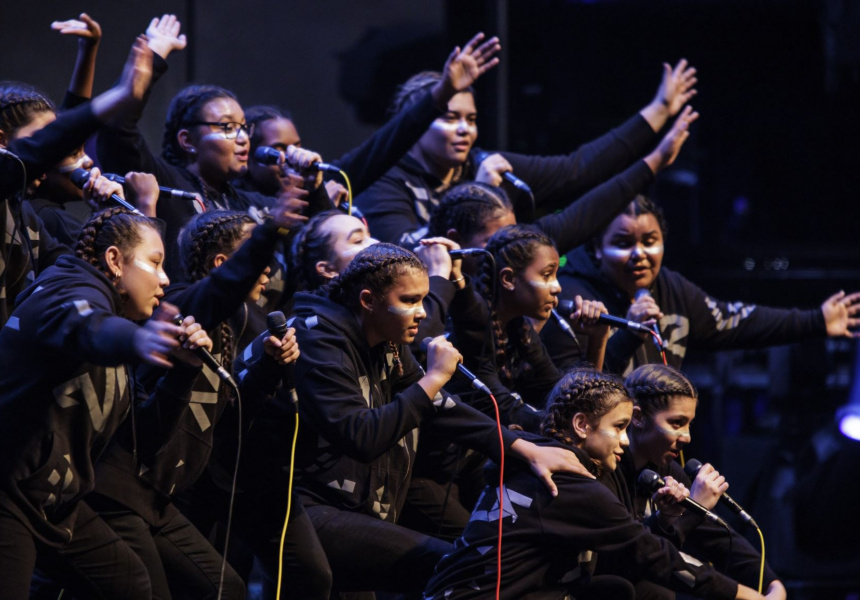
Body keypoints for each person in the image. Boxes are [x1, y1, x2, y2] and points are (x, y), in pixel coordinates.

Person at [285, 242, 588, 595]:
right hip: (300, 507)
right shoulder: (317, 339)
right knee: (453, 566)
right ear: (368, 301)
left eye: (423, 299)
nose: (421, 313)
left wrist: (524, 448)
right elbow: (361, 436)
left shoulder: (385, 336)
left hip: (349, 504)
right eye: (410, 300)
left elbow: (441, 407)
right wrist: (434, 377)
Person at [87, 199, 303, 599]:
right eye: (254, 257)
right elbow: (221, 290)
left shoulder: (229, 328)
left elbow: (232, 413)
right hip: (128, 482)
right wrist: (273, 229)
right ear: (223, 264)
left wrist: (269, 367)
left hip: (167, 488)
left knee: (226, 588)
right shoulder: (181, 306)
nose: (267, 271)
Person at [0, 205, 211, 599]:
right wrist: (139, 340)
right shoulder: (68, 286)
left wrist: (182, 371)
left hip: (53, 501)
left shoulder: (120, 326)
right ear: (114, 260)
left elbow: (144, 440)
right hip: (9, 490)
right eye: (155, 263)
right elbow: (84, 324)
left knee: (130, 584)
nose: (165, 279)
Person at [424, 367, 773, 600]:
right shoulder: (571, 484)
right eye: (619, 428)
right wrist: (748, 596)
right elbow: (654, 556)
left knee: (616, 589)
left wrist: (668, 521)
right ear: (581, 425)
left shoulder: (545, 461)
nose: (625, 440)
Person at [354, 59, 697, 247]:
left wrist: (659, 110)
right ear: (413, 123)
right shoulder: (383, 179)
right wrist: (478, 194)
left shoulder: (479, 162)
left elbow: (577, 170)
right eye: (450, 118)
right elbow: (406, 253)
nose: (465, 130)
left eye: (471, 119)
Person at [96, 15, 330, 281]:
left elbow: (324, 245)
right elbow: (116, 129)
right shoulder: (163, 184)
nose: (243, 138)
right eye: (228, 127)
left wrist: (315, 188)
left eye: (244, 127)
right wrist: (153, 60)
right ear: (187, 140)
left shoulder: (252, 204)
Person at [557, 194, 860, 374]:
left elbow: (737, 321)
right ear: (597, 249)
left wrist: (815, 321)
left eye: (650, 241)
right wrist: (628, 334)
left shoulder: (671, 289)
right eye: (624, 243)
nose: (640, 254)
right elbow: (567, 392)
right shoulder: (572, 298)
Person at [0, 34, 154, 327]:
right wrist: (118, 97)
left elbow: (77, 277)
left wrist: (108, 218)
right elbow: (46, 145)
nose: (53, 153)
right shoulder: (38, 208)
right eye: (46, 141)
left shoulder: (27, 217)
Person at [242, 32, 501, 201]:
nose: (292, 158)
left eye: (296, 147)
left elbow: (383, 147)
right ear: (248, 158)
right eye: (276, 151)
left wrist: (443, 92)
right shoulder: (238, 206)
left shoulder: (317, 189)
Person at [620, 364, 787, 599]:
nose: (687, 437)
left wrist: (772, 584)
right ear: (638, 417)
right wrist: (693, 510)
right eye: (676, 423)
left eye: (689, 424)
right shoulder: (608, 470)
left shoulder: (666, 469)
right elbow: (644, 557)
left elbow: (718, 538)